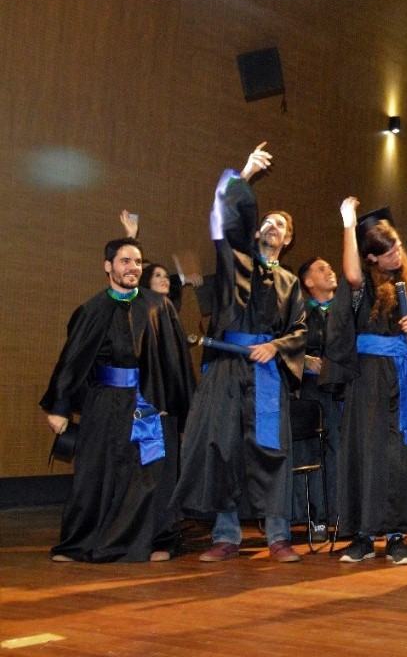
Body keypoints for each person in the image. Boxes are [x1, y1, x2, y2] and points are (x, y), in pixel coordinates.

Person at [173, 142, 308, 564]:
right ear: (254, 231)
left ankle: (278, 538)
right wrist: (245, 173)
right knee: (224, 448)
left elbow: (301, 330)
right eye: (266, 221)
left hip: (267, 373)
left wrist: (277, 346)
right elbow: (223, 216)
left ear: (287, 241)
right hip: (227, 370)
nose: (271, 227)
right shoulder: (235, 263)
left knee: (271, 452)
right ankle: (226, 536)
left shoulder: (290, 282)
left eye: (280, 226)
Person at [41, 237, 195, 562]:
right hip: (105, 402)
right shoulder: (91, 309)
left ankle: (157, 542)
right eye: (125, 261)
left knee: (151, 476)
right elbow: (72, 360)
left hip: (149, 403)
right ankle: (79, 543)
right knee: (93, 473)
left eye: (138, 262)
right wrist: (60, 407)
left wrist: (174, 402)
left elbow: (174, 358)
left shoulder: (158, 306)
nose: (133, 268)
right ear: (108, 266)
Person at [331, 197, 407, 565]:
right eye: (386, 251)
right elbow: (348, 274)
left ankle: (396, 537)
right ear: (372, 259)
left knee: (401, 455)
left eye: (396, 245)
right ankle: (363, 536)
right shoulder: (362, 285)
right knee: (369, 452)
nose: (396, 254)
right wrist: (348, 224)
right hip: (369, 380)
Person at [289, 256, 349, 545]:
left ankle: (342, 515)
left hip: (343, 390)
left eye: (330, 266)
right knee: (313, 452)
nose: (330, 271)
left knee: (341, 450)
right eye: (321, 269)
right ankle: (318, 517)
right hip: (312, 393)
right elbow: (284, 347)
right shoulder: (300, 312)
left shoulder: (347, 310)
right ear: (308, 282)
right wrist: (303, 361)